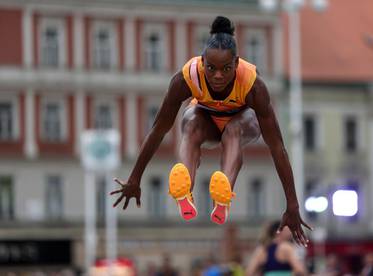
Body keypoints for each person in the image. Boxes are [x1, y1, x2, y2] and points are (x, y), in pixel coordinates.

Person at [110, 15, 311, 246]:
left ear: (236, 64)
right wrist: (135, 177)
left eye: (226, 69)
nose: (217, 76)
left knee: (233, 129)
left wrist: (292, 203)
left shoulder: (253, 85)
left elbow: (277, 147)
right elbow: (159, 129)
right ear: (202, 61)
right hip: (207, 121)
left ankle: (223, 197)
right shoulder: (186, 78)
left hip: (242, 122)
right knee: (191, 120)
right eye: (211, 68)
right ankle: (184, 189)